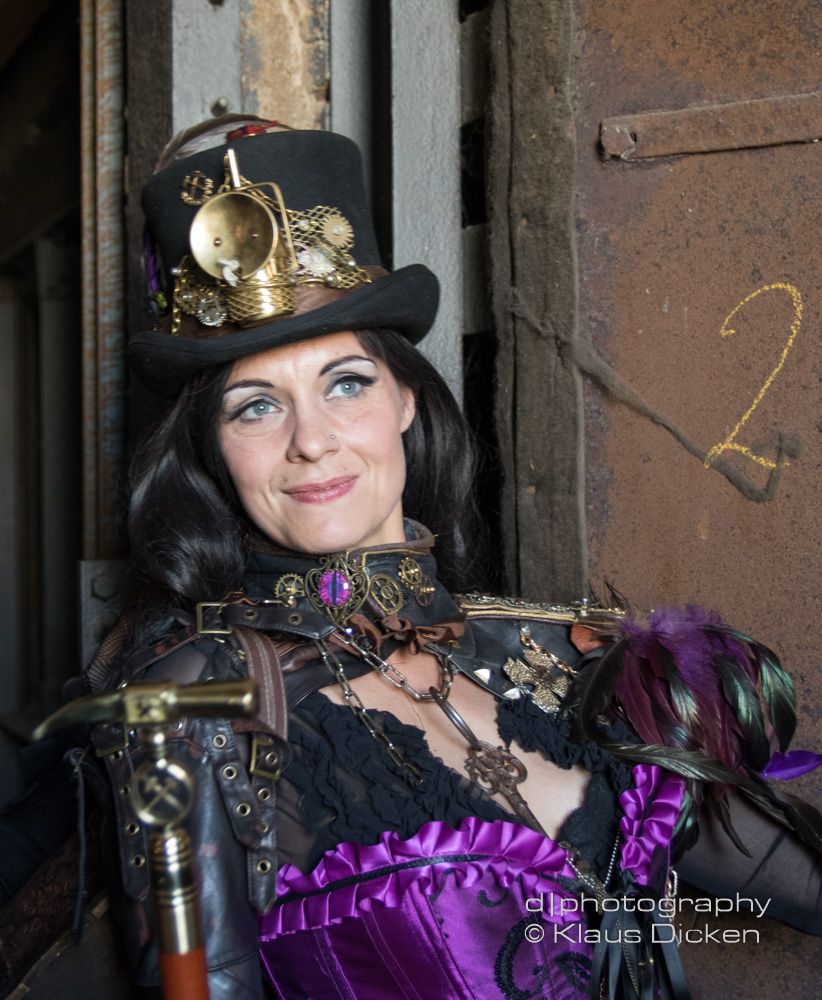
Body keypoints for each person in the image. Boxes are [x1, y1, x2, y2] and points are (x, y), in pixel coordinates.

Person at [86, 120, 821, 1000]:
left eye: (346, 384)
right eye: (256, 406)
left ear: (404, 399)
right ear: (212, 448)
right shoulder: (195, 706)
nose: (312, 441)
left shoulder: (555, 652)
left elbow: (784, 878)